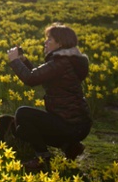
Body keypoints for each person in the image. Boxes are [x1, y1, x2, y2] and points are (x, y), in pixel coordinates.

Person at [6, 23, 92, 171]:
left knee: (23, 114)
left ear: (60, 43)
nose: (45, 42)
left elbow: (31, 79)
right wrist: (23, 60)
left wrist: (14, 61)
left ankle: (43, 158)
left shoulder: (61, 63)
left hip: (70, 124)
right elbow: (39, 75)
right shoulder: (66, 61)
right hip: (77, 124)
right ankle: (70, 146)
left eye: (49, 40)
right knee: (22, 128)